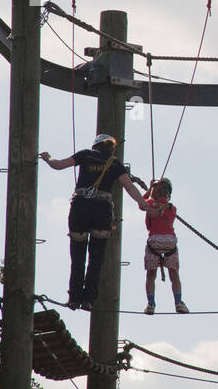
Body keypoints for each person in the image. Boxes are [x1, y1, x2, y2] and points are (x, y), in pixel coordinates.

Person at [39, 134, 149, 310]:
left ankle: (74, 298)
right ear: (111, 148)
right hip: (102, 210)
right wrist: (144, 206)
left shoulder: (86, 155)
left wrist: (47, 157)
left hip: (81, 207)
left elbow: (57, 165)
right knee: (96, 259)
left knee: (77, 258)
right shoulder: (115, 163)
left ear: (95, 146)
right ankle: (88, 299)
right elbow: (130, 187)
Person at [141, 177, 188, 314]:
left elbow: (140, 204)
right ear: (168, 194)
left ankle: (151, 304)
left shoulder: (149, 204)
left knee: (151, 276)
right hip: (169, 242)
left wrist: (149, 190)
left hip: (154, 241)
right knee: (174, 275)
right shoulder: (172, 209)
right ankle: (178, 302)